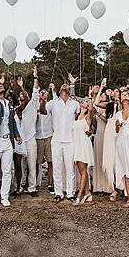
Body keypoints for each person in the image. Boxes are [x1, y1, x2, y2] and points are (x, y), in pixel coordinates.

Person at [0, 70, 22, 208]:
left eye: (2, 85)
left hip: (7, 140)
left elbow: (11, 122)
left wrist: (17, 135)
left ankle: (5, 196)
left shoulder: (8, 103)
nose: (1, 86)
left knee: (7, 170)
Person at [44, 74, 80, 203]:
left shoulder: (75, 104)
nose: (64, 86)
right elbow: (42, 111)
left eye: (67, 85)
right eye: (62, 85)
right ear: (59, 91)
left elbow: (80, 116)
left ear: (69, 90)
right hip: (57, 140)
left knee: (70, 168)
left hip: (70, 140)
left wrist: (73, 84)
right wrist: (42, 99)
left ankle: (70, 193)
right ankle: (58, 193)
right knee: (57, 168)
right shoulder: (53, 103)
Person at [13, 68, 40, 196]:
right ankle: (19, 187)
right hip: (19, 141)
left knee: (31, 165)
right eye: (20, 97)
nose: (22, 98)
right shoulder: (16, 110)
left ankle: (32, 188)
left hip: (30, 140)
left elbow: (35, 91)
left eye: (24, 96)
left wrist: (24, 85)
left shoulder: (33, 105)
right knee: (19, 166)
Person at [72, 92, 97, 205]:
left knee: (83, 171)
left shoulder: (88, 116)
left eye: (86, 102)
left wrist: (90, 96)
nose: (84, 102)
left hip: (83, 145)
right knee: (82, 171)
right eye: (83, 101)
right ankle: (88, 193)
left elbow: (92, 108)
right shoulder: (77, 116)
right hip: (76, 144)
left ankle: (79, 196)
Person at [93, 86, 114, 195]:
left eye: (103, 95)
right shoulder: (96, 107)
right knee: (98, 160)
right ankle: (98, 187)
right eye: (100, 95)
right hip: (98, 134)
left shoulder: (108, 106)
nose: (101, 97)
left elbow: (108, 120)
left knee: (105, 160)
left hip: (106, 134)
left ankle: (108, 187)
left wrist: (99, 115)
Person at [36, 83, 55, 192]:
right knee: (37, 162)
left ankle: (50, 184)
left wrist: (53, 90)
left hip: (48, 136)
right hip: (38, 136)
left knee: (50, 161)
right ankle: (37, 183)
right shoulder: (35, 106)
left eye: (44, 92)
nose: (42, 94)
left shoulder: (51, 105)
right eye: (41, 92)